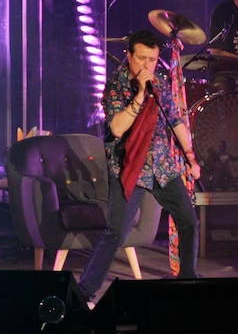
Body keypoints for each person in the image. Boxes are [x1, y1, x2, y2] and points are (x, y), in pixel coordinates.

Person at [77, 29, 201, 303]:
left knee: (189, 222)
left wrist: (191, 157)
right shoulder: (116, 86)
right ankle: (85, 292)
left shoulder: (160, 84)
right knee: (116, 234)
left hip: (161, 166)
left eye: (153, 60)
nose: (147, 65)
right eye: (142, 58)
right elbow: (117, 128)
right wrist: (140, 95)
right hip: (128, 168)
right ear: (129, 56)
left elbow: (176, 121)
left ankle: (188, 281)